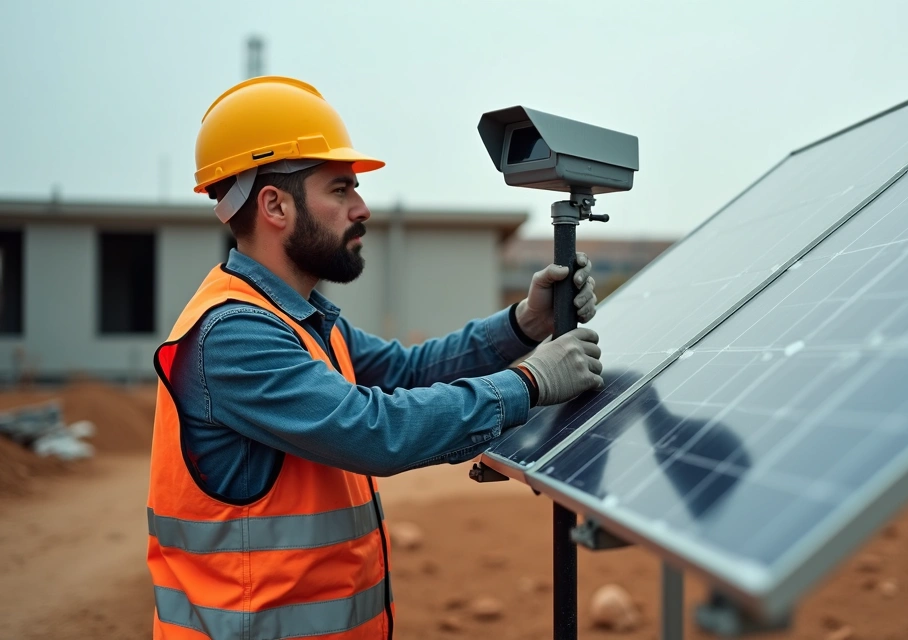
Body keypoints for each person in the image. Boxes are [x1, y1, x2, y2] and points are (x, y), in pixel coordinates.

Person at [145, 76, 604, 639]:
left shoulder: (299, 321)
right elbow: (374, 430)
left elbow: (409, 372)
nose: (362, 208)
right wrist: (530, 382)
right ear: (274, 206)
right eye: (340, 189)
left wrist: (523, 324)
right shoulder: (235, 336)